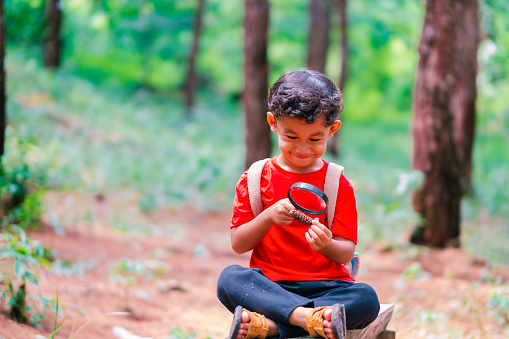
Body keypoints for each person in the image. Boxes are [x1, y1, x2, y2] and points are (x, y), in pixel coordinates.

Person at [217, 69, 380, 339]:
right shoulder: (255, 179)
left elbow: (345, 253)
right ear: (273, 122)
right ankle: (307, 318)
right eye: (291, 137)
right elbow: (239, 244)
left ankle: (272, 326)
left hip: (326, 288)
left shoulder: (337, 183)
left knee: (366, 298)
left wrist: (326, 244)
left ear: (333, 129)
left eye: (315, 139)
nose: (303, 148)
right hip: (271, 287)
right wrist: (267, 216)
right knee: (229, 279)